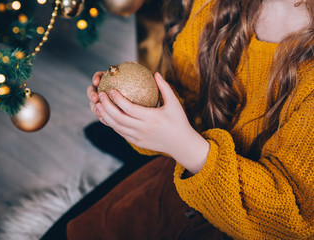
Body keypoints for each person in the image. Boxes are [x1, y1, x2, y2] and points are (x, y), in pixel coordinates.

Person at [67, 0, 314, 239]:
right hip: (179, 184)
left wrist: (184, 145)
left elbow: (294, 224)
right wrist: (141, 112)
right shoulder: (212, 6)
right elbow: (188, 102)